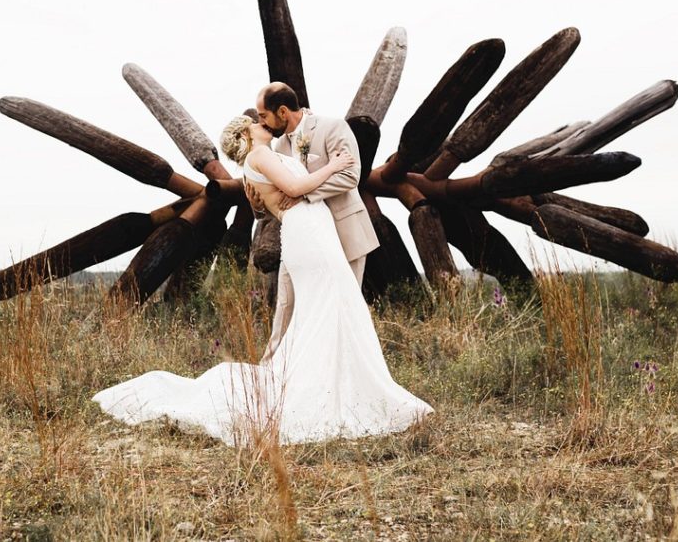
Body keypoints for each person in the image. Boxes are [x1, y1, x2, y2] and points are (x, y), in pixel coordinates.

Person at [91, 113, 432, 446]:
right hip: (308, 235)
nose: (263, 123)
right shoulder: (259, 156)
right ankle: (331, 391)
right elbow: (296, 188)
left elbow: (282, 194)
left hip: (314, 231)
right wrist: (334, 165)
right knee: (329, 307)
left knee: (334, 310)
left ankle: (347, 385)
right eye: (256, 122)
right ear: (247, 135)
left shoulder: (266, 157)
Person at [246, 82, 379, 361]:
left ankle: (343, 375)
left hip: (344, 230)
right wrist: (259, 207)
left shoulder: (333, 127)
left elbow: (350, 176)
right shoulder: (277, 147)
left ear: (282, 111)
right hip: (302, 237)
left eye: (263, 116)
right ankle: (270, 371)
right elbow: (278, 198)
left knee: (345, 309)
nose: (262, 123)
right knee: (286, 304)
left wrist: (304, 195)